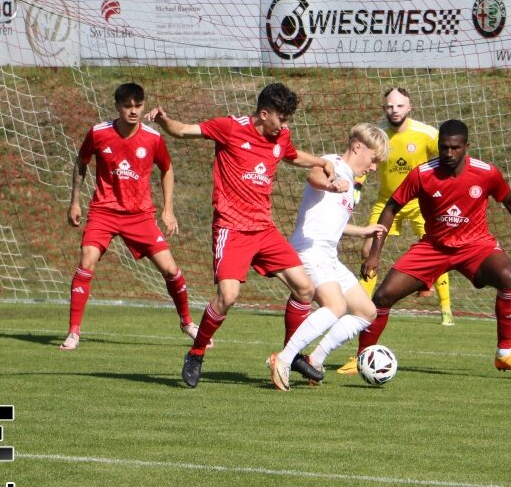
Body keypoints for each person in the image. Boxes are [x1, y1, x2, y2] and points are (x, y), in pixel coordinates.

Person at [146, 83, 338, 390]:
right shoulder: (229, 128)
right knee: (228, 297)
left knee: (305, 289)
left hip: (264, 228)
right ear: (264, 114)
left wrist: (321, 161)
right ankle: (196, 353)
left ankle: (290, 355)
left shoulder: (281, 136)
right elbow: (183, 131)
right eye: (282, 118)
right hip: (231, 228)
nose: (286, 125)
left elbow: (291, 155)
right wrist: (163, 120)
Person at [357, 119, 511, 375]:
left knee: (508, 277)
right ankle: (362, 356)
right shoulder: (423, 173)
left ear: (466, 147)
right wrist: (375, 254)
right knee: (383, 296)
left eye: (455, 148)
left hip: (475, 246)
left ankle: (505, 353)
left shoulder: (486, 173)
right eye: (443, 148)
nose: (448, 154)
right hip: (433, 247)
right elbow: (391, 208)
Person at [59, 83, 199, 352]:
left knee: (170, 269)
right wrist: (74, 201)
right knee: (87, 261)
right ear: (117, 107)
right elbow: (81, 162)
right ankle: (74, 332)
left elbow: (167, 170)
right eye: (127, 106)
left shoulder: (152, 138)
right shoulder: (99, 133)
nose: (133, 111)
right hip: (104, 211)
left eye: (138, 106)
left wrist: (168, 210)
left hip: (140, 215)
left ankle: (187, 323)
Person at [338, 86, 452, 376]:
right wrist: (358, 188)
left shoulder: (427, 134)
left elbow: (448, 160)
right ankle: (362, 310)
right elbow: (363, 166)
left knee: (439, 251)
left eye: (399, 106)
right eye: (389, 106)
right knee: (368, 252)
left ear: (409, 107)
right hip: (387, 203)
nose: (394, 111)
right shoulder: (377, 136)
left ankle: (446, 310)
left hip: (418, 204)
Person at [273, 123, 390, 385]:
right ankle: (284, 359)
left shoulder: (349, 180)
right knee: (335, 306)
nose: (373, 167)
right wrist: (330, 184)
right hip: (310, 249)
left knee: (366, 311)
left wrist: (363, 231)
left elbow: (332, 222)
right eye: (373, 160)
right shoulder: (332, 163)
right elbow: (314, 175)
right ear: (358, 147)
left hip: (328, 254)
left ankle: (315, 360)